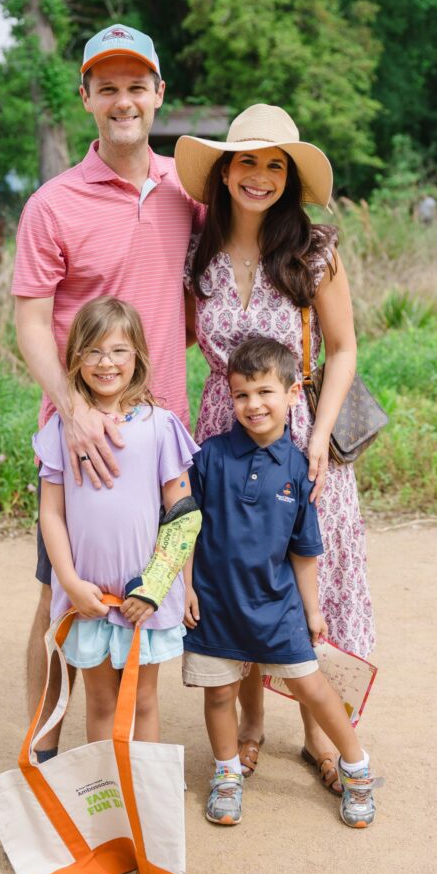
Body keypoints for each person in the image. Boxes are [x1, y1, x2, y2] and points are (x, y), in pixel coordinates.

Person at [13, 24, 203, 757]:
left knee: (151, 596)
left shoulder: (188, 195)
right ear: (86, 98)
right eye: (107, 87)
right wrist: (74, 412)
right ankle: (45, 749)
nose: (122, 100)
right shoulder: (52, 205)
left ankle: (137, 762)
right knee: (61, 599)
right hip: (80, 442)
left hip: (163, 436)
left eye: (136, 85)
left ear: (159, 95)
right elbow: (31, 321)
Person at [176, 103, 374, 793]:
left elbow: (344, 347)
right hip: (220, 434)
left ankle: (321, 736)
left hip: (299, 436)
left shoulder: (312, 249)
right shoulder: (196, 253)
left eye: (273, 165)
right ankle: (251, 728)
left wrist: (316, 435)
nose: (258, 176)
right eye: (246, 161)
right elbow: (179, 345)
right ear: (224, 170)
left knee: (305, 578)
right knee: (236, 576)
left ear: (288, 177)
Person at [183, 337, 379, 827]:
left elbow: (304, 548)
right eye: (241, 395)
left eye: (266, 392)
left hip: (278, 606)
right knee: (219, 694)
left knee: (312, 687)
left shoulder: (299, 467)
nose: (253, 405)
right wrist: (185, 587)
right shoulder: (208, 456)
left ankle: (356, 768)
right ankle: (227, 773)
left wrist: (312, 611)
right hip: (216, 603)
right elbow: (185, 525)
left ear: (293, 395)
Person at [35, 296, 201, 742]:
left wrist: (158, 587)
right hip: (87, 598)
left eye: (119, 351)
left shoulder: (161, 426)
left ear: (138, 357)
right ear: (75, 358)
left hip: (143, 599)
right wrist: (68, 582)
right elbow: (51, 514)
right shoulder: (61, 429)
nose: (106, 363)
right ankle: (106, 799)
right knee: (102, 703)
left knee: (143, 701)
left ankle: (143, 799)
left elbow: (183, 516)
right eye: (93, 351)